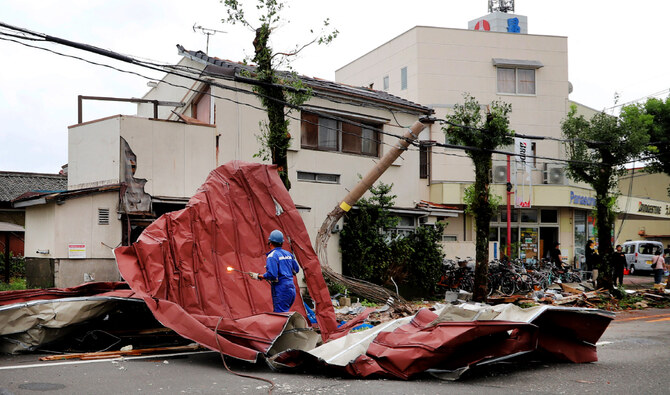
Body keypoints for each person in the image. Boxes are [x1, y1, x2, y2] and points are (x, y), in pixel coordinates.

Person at [249, 230, 300, 313]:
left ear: (270, 243)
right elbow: (296, 270)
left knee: (280, 316)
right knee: (285, 313)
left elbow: (272, 275)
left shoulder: (272, 256)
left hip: (281, 290)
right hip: (291, 289)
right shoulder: (288, 254)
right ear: (281, 243)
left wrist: (258, 276)